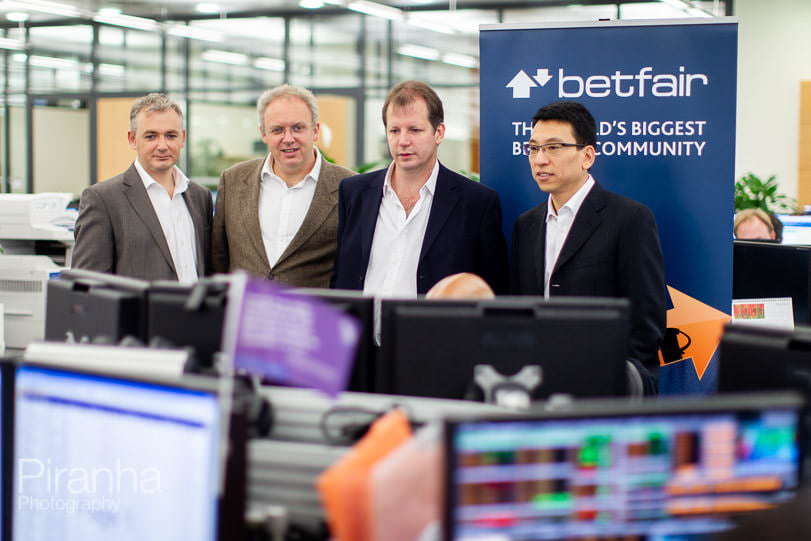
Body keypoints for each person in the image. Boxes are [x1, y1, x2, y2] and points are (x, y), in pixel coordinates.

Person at [511, 101, 666, 392]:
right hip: (537, 386)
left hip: (603, 386)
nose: (540, 160)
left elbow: (646, 321)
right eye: (534, 148)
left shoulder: (629, 219)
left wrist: (616, 378)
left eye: (554, 148)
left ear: (587, 156)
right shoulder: (527, 225)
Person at [332, 80, 508, 296]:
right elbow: (341, 275)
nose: (403, 141)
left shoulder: (476, 203)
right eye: (394, 130)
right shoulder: (354, 193)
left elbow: (491, 289)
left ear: (439, 132)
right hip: (364, 328)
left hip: (433, 328)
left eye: (414, 130)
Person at [211, 84, 355, 287]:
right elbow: (218, 258)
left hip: (312, 316)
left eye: (297, 128)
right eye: (277, 130)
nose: (288, 139)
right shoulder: (233, 180)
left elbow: (353, 267)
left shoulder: (348, 187)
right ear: (263, 134)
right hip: (245, 314)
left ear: (315, 131)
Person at [72, 93, 212, 282]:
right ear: (132, 139)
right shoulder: (103, 199)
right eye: (151, 136)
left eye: (171, 135)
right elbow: (87, 285)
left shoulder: (199, 196)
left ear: (183, 138)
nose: (162, 146)